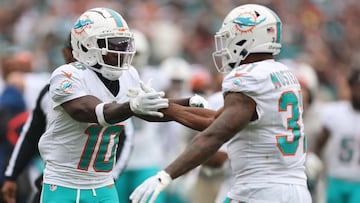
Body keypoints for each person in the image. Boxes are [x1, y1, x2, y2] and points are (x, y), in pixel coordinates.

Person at [129, 4, 311, 203]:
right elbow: (219, 119)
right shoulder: (284, 74)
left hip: (259, 191)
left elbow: (216, 133)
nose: (225, 45)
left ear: (247, 38)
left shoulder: (247, 77)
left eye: (229, 37)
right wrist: (166, 106)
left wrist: (166, 174)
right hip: (296, 190)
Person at [36, 7, 170, 203]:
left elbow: (156, 111)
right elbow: (89, 111)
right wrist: (131, 106)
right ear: (87, 45)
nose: (121, 52)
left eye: (123, 45)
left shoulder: (129, 75)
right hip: (64, 182)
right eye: (113, 45)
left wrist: (190, 105)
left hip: (103, 183)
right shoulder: (67, 75)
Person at [1, 34, 76, 203]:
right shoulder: (47, 86)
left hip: (94, 177)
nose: (13, 67)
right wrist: (12, 174)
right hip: (50, 170)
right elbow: (29, 133)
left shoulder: (40, 83)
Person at [313, 69, 360, 203]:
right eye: (358, 88)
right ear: (351, 87)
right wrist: (315, 159)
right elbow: (321, 141)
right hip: (335, 178)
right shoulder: (334, 113)